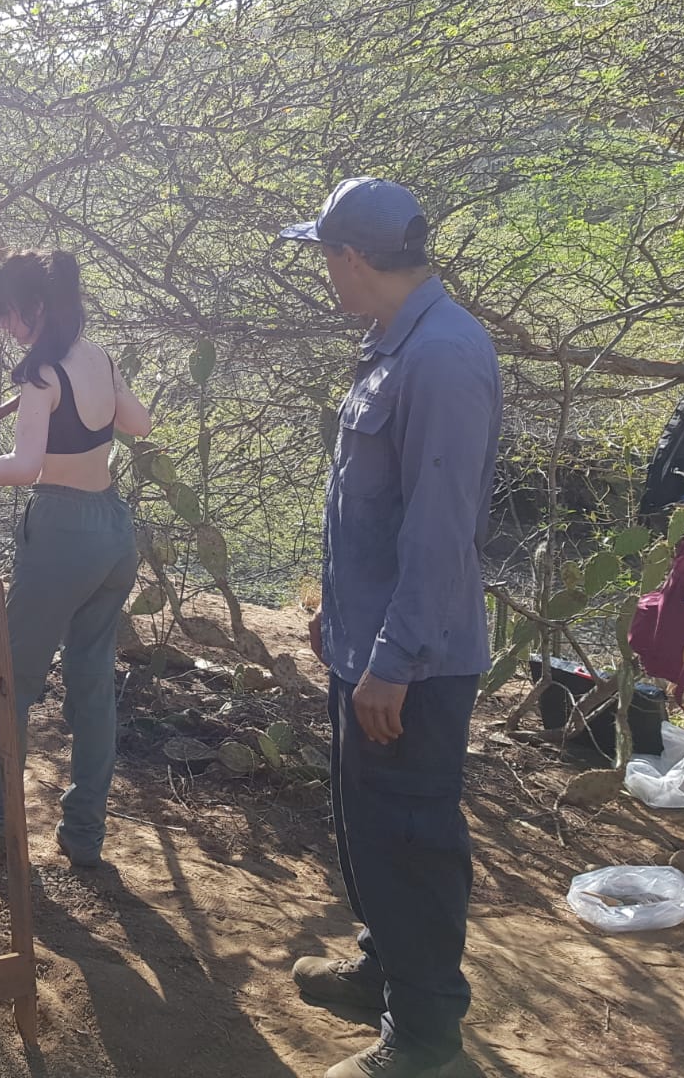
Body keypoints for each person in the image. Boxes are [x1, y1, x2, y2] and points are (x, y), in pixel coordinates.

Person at [279, 179, 502, 1078]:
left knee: (411, 840)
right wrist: (340, 608)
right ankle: (383, 971)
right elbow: (375, 506)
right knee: (368, 827)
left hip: (412, 663)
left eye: (326, 258)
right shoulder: (392, 342)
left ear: (351, 259)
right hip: (369, 645)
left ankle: (424, 1039)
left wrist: (394, 660)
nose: (327, 276)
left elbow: (440, 529)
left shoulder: (443, 356)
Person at [0, 249, 152, 867]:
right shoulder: (98, 357)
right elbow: (140, 425)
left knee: (14, 679)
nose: (7, 329)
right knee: (92, 685)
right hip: (114, 530)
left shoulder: (42, 375)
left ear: (34, 308)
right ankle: (84, 833)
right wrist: (110, 392)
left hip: (62, 530)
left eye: (8, 316)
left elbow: (22, 468)